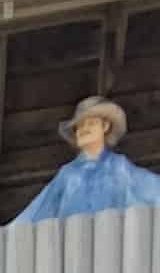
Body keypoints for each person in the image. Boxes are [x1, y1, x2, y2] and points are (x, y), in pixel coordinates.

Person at [16, 93, 160, 223]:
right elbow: (36, 212)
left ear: (105, 127)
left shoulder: (118, 167)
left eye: (91, 123)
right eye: (79, 126)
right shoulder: (68, 174)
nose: (84, 129)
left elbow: (152, 189)